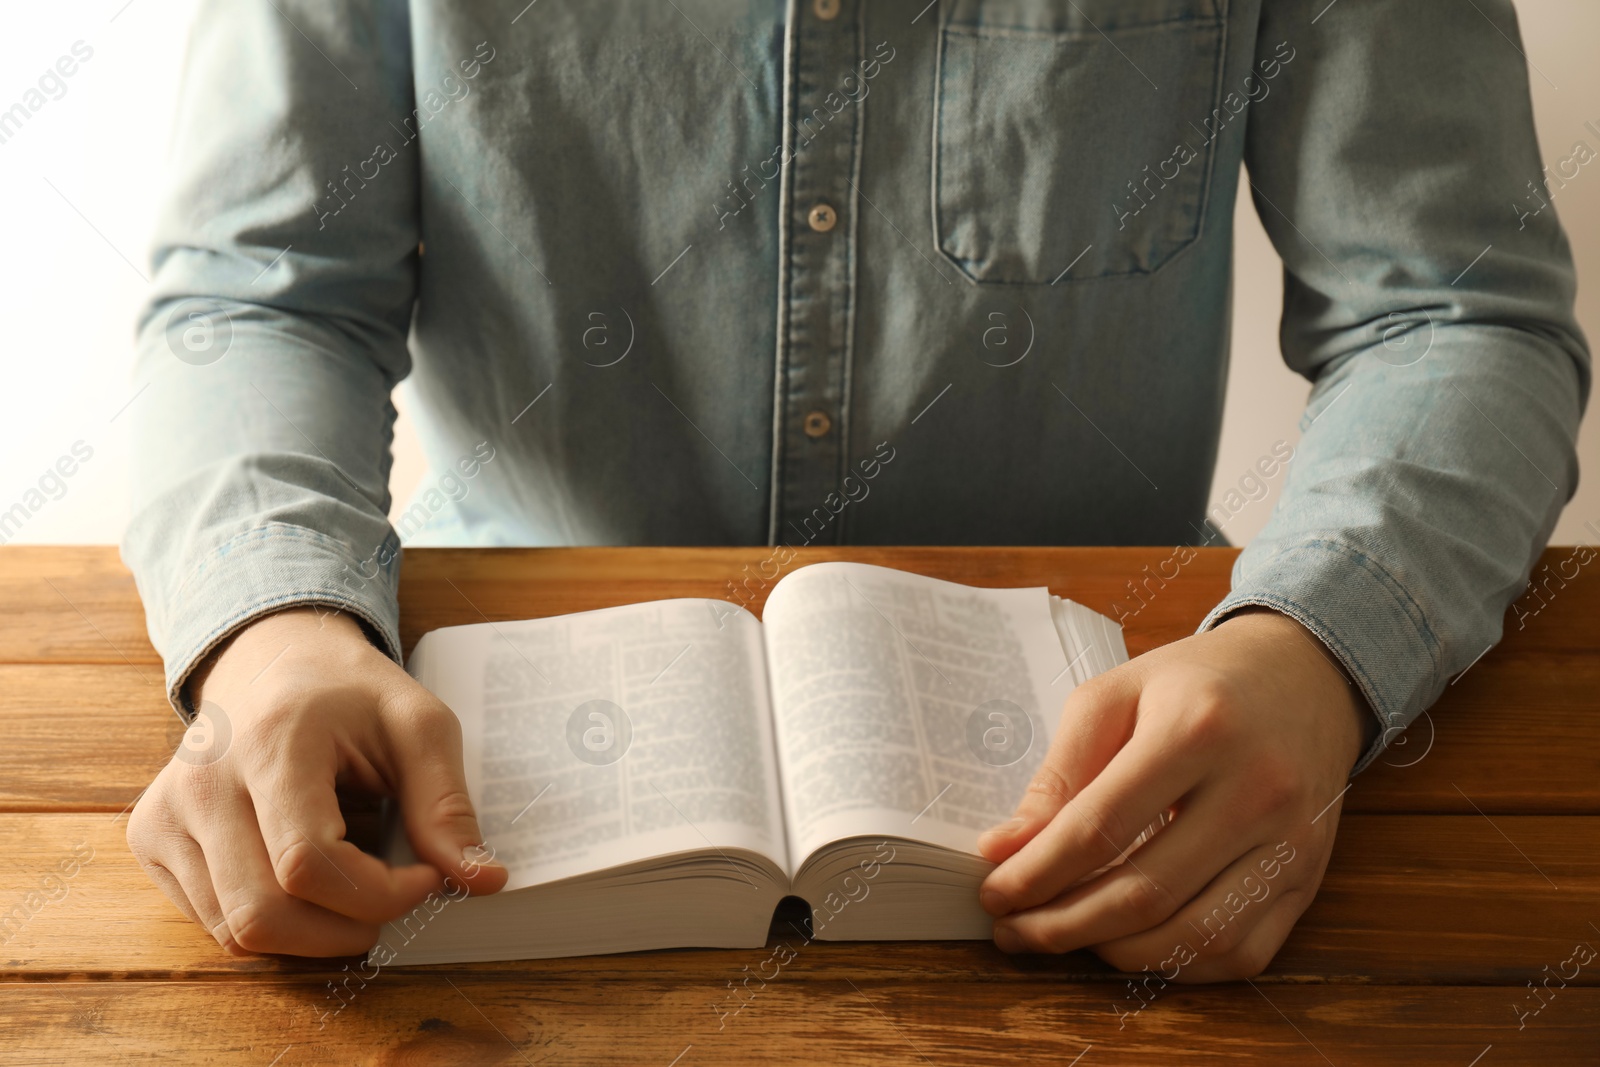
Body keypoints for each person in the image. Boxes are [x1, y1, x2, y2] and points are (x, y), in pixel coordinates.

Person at [123, 0, 1587, 980]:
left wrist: (1318, 650)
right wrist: (274, 625)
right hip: (484, 779)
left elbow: (1453, 309)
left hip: (1143, 771)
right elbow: (265, 292)